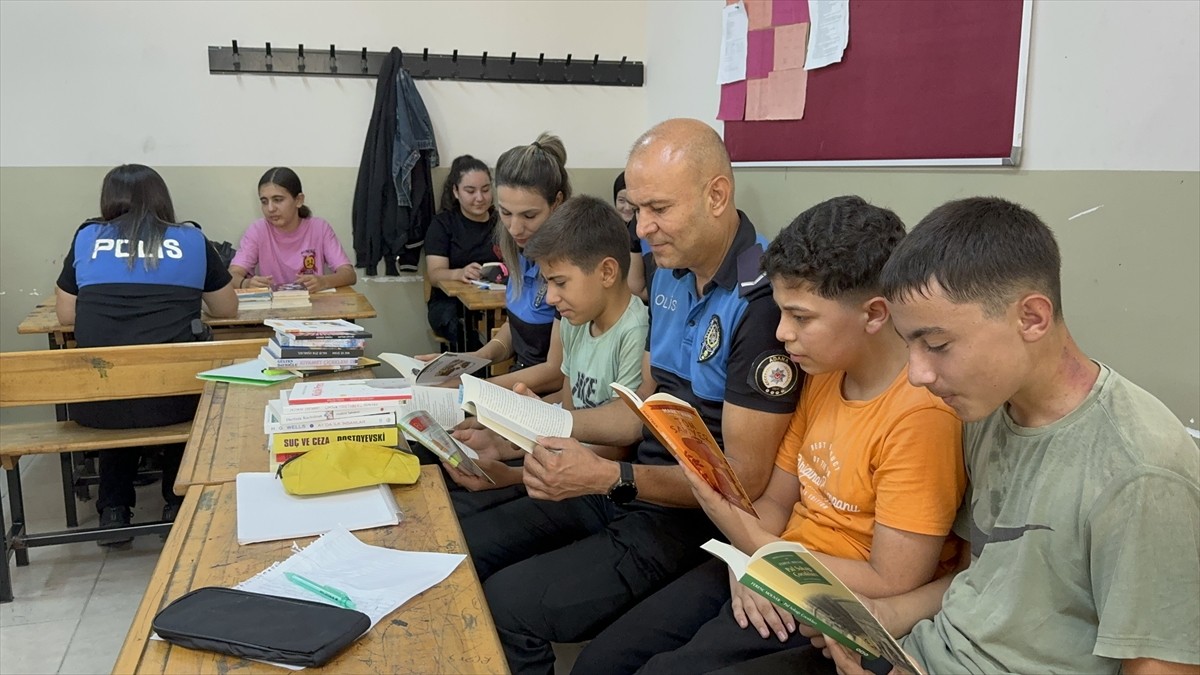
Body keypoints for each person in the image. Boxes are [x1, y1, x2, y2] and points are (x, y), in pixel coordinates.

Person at [754, 197, 1200, 675]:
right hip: (920, 650)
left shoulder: (1140, 472)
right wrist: (882, 618)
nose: (918, 374)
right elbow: (981, 573)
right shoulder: (986, 410)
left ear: (1031, 318)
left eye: (938, 345)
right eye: (911, 346)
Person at [456, 118, 802, 675]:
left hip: (692, 516)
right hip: (629, 487)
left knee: (512, 602)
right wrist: (524, 427)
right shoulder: (670, 272)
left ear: (717, 195)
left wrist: (610, 479)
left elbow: (744, 482)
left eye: (658, 209)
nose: (642, 227)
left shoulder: (759, 301)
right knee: (465, 539)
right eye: (636, 209)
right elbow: (639, 414)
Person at [572, 196, 968, 675]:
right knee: (603, 661)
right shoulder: (823, 375)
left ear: (875, 314)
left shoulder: (921, 414)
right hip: (772, 564)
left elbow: (891, 579)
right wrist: (748, 558)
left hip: (832, 601)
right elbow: (778, 499)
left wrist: (760, 554)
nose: (782, 333)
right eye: (781, 312)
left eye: (801, 317)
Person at [54, 164, 238, 545]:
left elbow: (67, 316)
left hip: (97, 409)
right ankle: (175, 501)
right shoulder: (191, 239)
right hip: (173, 404)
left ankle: (114, 510)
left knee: (118, 379)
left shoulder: (88, 238)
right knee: (175, 380)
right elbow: (226, 310)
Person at [446, 195, 647, 493]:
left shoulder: (636, 332)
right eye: (547, 283)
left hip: (594, 486)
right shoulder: (576, 320)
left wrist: (513, 474)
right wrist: (502, 444)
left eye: (560, 282)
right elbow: (567, 407)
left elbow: (620, 447)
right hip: (560, 467)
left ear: (606, 272)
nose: (551, 297)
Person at [451, 133, 571, 395]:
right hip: (518, 382)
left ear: (557, 203)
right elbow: (515, 329)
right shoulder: (519, 251)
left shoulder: (569, 267)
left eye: (529, 215)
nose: (515, 228)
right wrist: (470, 362)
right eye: (505, 213)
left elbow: (555, 372)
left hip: (547, 398)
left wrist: (476, 386)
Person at [229, 167, 356, 292]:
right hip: (273, 308)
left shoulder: (320, 228)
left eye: (278, 200)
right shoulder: (257, 230)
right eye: (264, 201)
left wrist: (323, 282)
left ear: (299, 200)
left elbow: (349, 274)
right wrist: (245, 283)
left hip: (314, 306)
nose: (270, 208)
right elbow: (232, 275)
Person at [424, 154, 501, 351]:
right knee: (461, 328)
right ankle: (478, 375)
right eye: (470, 191)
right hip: (451, 304)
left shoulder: (503, 223)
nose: (480, 198)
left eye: (485, 190)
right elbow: (435, 274)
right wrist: (459, 273)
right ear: (456, 192)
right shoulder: (443, 224)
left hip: (498, 302)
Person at [614, 171, 648, 300]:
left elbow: (637, 290)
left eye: (632, 203)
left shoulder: (644, 234)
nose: (628, 208)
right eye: (621, 200)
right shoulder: (610, 233)